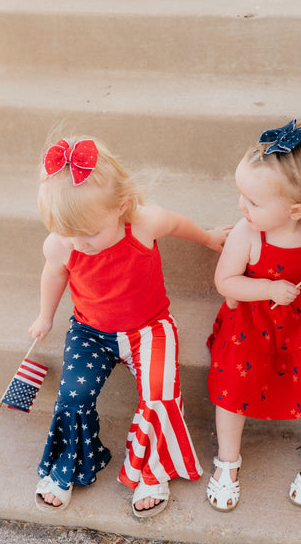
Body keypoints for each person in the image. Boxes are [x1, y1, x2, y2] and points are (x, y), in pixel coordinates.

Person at [29, 136, 229, 518]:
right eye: (69, 233)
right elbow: (53, 276)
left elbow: (179, 224)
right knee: (73, 395)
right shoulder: (62, 244)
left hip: (149, 327)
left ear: (121, 208)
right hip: (90, 331)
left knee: (159, 393)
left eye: (88, 234)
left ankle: (152, 470)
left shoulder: (143, 223)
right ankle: (67, 465)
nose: (80, 244)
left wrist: (209, 238)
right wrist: (45, 316)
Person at [206, 120, 301, 512]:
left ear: (295, 210)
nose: (242, 206)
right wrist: (268, 289)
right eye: (241, 194)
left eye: (253, 201)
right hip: (252, 326)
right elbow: (225, 281)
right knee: (232, 385)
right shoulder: (248, 233)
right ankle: (227, 460)